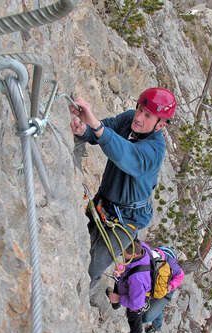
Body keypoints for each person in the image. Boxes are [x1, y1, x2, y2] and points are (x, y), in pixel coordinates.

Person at [69, 88, 177, 291]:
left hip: (126, 221)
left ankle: (81, 297)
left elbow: (126, 155)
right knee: (76, 244)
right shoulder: (129, 120)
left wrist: (95, 126)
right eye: (139, 109)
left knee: (92, 268)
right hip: (103, 202)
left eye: (147, 115)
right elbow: (105, 130)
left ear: (160, 125)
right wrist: (85, 130)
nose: (138, 117)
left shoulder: (155, 150)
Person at [106, 240, 152, 333]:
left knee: (134, 313)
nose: (122, 254)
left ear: (134, 255)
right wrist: (122, 269)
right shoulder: (142, 247)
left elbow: (136, 304)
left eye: (124, 254)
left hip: (137, 293)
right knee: (119, 283)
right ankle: (115, 303)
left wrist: (119, 298)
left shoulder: (137, 279)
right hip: (127, 281)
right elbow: (129, 264)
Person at [142, 246, 184, 333]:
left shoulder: (170, 264)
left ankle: (156, 326)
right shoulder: (146, 258)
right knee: (155, 307)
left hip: (166, 291)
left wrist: (171, 285)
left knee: (147, 316)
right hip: (154, 287)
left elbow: (181, 275)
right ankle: (157, 317)